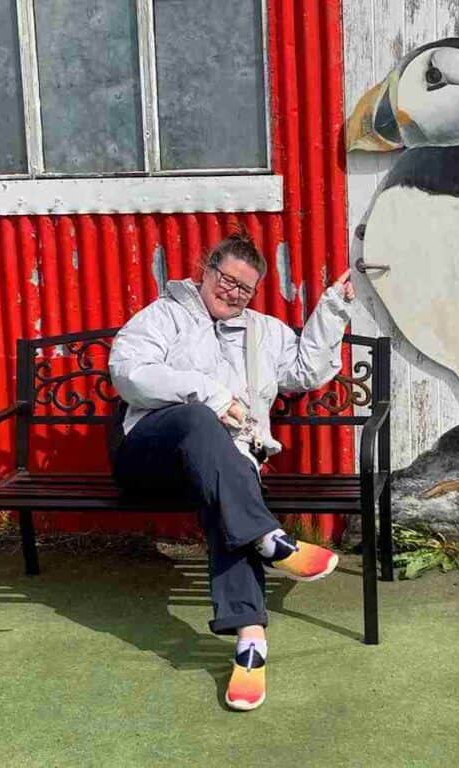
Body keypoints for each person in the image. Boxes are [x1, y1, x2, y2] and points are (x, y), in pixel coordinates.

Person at [108, 232, 355, 711]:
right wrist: (213, 394)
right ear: (206, 271)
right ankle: (270, 540)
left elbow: (305, 372)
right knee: (200, 419)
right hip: (147, 456)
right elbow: (129, 373)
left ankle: (250, 643)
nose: (233, 292)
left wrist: (332, 310)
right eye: (226, 279)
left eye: (245, 288)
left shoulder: (265, 332)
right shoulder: (166, 317)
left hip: (220, 466)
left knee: (226, 484)